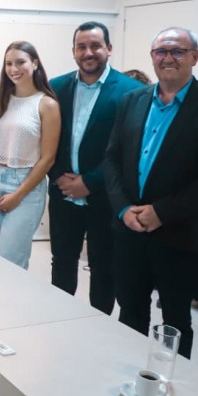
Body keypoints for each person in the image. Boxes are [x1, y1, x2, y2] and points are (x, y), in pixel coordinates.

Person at [105, 27, 198, 358]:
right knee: (130, 312)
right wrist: (124, 208)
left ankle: (171, 380)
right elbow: (112, 159)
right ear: (152, 57)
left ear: (195, 57)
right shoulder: (132, 101)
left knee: (176, 321)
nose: (168, 58)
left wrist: (161, 212)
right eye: (161, 51)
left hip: (180, 236)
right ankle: (128, 372)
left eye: (177, 51)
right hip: (130, 232)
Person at [47, 21, 145, 315]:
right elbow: (46, 140)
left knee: (104, 267)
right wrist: (58, 177)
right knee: (62, 261)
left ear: (109, 48)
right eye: (81, 47)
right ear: (73, 51)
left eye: (95, 46)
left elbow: (131, 151)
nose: (88, 52)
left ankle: (98, 323)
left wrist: (89, 181)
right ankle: (57, 319)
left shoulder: (133, 92)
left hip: (106, 197)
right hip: (63, 194)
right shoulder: (56, 87)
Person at [0, 41, 60, 269]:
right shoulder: (0, 100)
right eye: (8, 64)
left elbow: (48, 158)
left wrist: (18, 195)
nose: (13, 69)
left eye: (20, 62)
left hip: (25, 187)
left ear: (35, 63)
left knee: (11, 262)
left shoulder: (46, 104)